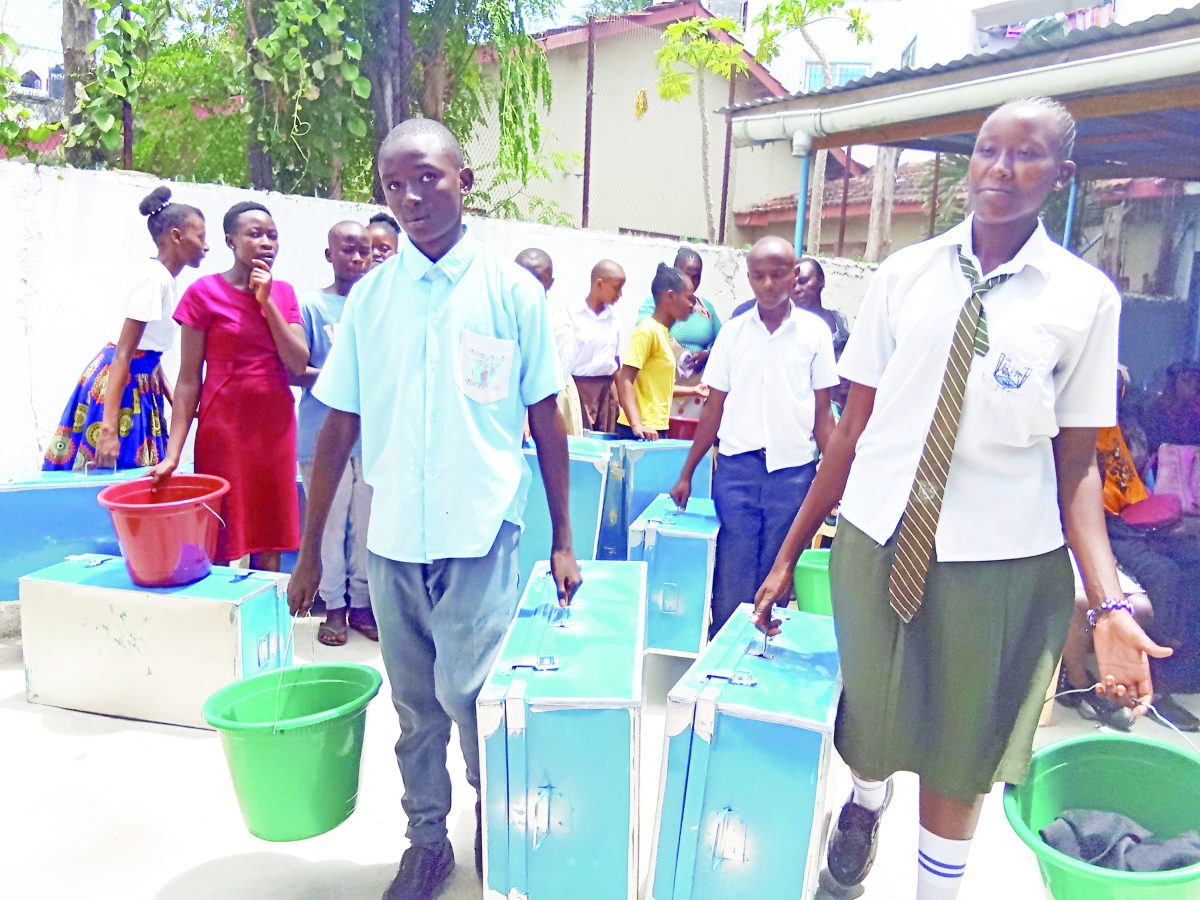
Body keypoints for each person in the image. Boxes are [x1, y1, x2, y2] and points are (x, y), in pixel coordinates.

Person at [751, 98, 1170, 899]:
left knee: (961, 745)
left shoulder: (1083, 299)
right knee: (871, 718)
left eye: (1027, 155)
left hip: (1000, 558)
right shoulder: (904, 274)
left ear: (1063, 175)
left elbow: (1079, 467)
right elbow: (852, 426)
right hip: (879, 536)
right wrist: (790, 550)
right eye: (986, 150)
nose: (1001, 170)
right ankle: (865, 805)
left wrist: (1109, 606)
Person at [287, 119, 581, 900]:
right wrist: (311, 552)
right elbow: (338, 424)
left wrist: (563, 539)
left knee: (471, 695)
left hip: (481, 531)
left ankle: (491, 815)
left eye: (429, 179)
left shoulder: (511, 293)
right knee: (416, 705)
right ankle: (426, 842)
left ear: (465, 182)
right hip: (392, 540)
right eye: (395, 184)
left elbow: (547, 416)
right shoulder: (372, 301)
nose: (412, 197)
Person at [670, 236, 837, 636]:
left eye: (777, 275)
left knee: (776, 573)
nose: (768, 284)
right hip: (736, 472)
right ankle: (721, 662)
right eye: (758, 276)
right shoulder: (732, 333)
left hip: (792, 475)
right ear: (748, 278)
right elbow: (714, 407)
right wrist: (687, 471)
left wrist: (837, 478)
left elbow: (821, 414)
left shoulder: (815, 334)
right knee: (732, 571)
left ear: (794, 276)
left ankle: (762, 665)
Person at [153, 201, 309, 572]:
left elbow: (298, 362)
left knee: (270, 537)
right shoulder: (203, 293)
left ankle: (264, 624)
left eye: (273, 236)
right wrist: (174, 454)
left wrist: (266, 302)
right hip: (223, 428)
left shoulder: (283, 294)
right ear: (230, 241)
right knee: (222, 536)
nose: (267, 243)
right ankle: (224, 620)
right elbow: (189, 379)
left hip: (275, 428)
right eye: (255, 234)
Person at [43, 187, 207, 471]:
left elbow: (148, 350)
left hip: (139, 383)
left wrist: (172, 396)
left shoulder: (161, 278)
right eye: (201, 237)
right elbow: (124, 352)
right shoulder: (153, 281)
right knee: (115, 473)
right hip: (122, 387)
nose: (206, 246)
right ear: (177, 236)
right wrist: (108, 428)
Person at [295, 221, 377, 646]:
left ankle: (362, 603)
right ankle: (335, 606)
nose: (359, 259)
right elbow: (297, 369)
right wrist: (345, 379)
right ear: (329, 255)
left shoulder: (378, 306)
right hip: (320, 435)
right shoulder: (312, 306)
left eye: (365, 251)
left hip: (371, 437)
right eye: (348, 251)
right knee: (327, 524)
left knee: (367, 526)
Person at [615, 264, 696, 440]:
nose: (692, 305)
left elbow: (659, 388)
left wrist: (694, 391)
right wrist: (637, 424)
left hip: (656, 428)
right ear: (670, 296)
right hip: (639, 431)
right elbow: (625, 379)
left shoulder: (663, 332)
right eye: (689, 298)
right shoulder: (646, 330)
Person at [516, 248, 583, 436]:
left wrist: (527, 419)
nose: (526, 283)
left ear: (550, 283)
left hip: (548, 407)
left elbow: (551, 386)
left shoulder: (558, 325)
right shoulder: (505, 310)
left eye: (535, 278)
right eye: (520, 274)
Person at [570, 259, 625, 432]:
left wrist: (624, 403)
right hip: (577, 390)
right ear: (599, 284)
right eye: (617, 288)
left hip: (606, 395)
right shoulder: (571, 315)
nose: (620, 294)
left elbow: (616, 365)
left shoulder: (615, 320)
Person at [1145, 359, 1200, 449]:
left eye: (1197, 380)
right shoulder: (1157, 412)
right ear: (1172, 384)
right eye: (1187, 380)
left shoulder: (1194, 412)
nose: (1195, 385)